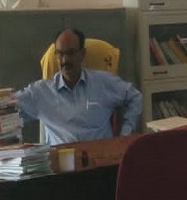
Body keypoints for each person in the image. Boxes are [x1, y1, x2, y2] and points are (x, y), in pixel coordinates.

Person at [15, 28, 143, 145]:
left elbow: (135, 97)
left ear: (82, 54)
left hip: (99, 158)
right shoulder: (41, 92)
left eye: (70, 53)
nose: (65, 60)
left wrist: (125, 135)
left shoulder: (103, 82)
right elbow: (8, 109)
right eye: (60, 54)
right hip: (61, 161)